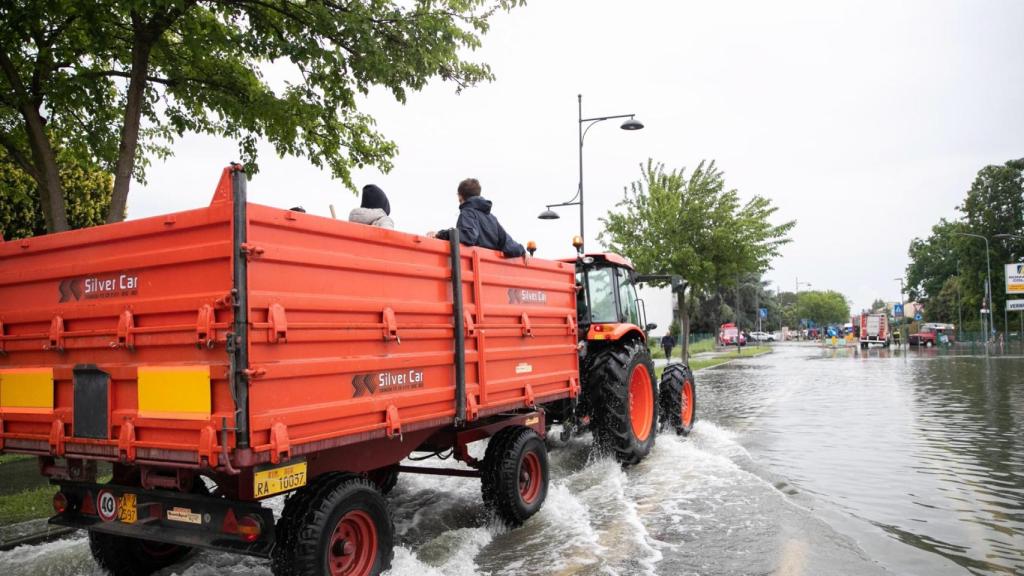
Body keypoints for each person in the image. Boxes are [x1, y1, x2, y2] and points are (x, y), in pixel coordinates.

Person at [432, 178, 525, 257]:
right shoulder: (492, 218)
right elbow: (509, 245)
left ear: (460, 196)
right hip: (490, 270)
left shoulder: (467, 212)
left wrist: (440, 235)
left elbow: (468, 236)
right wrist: (523, 251)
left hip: (473, 269)